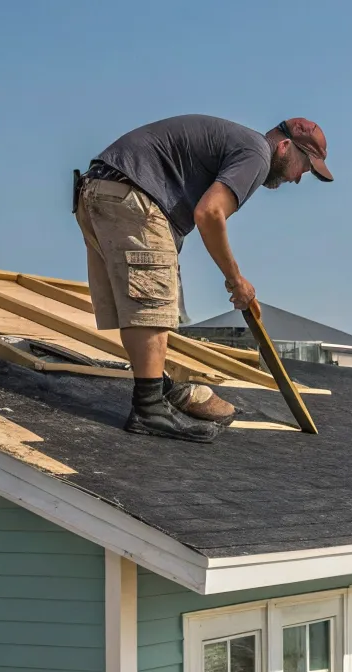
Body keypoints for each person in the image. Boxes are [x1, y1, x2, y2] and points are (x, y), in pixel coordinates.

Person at [73, 114, 334, 442]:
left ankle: (155, 389)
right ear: (284, 146)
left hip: (96, 191)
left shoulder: (239, 144)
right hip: (133, 195)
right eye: (303, 167)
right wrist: (236, 280)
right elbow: (210, 213)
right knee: (152, 307)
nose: (297, 179)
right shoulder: (256, 154)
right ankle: (149, 409)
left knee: (140, 307)